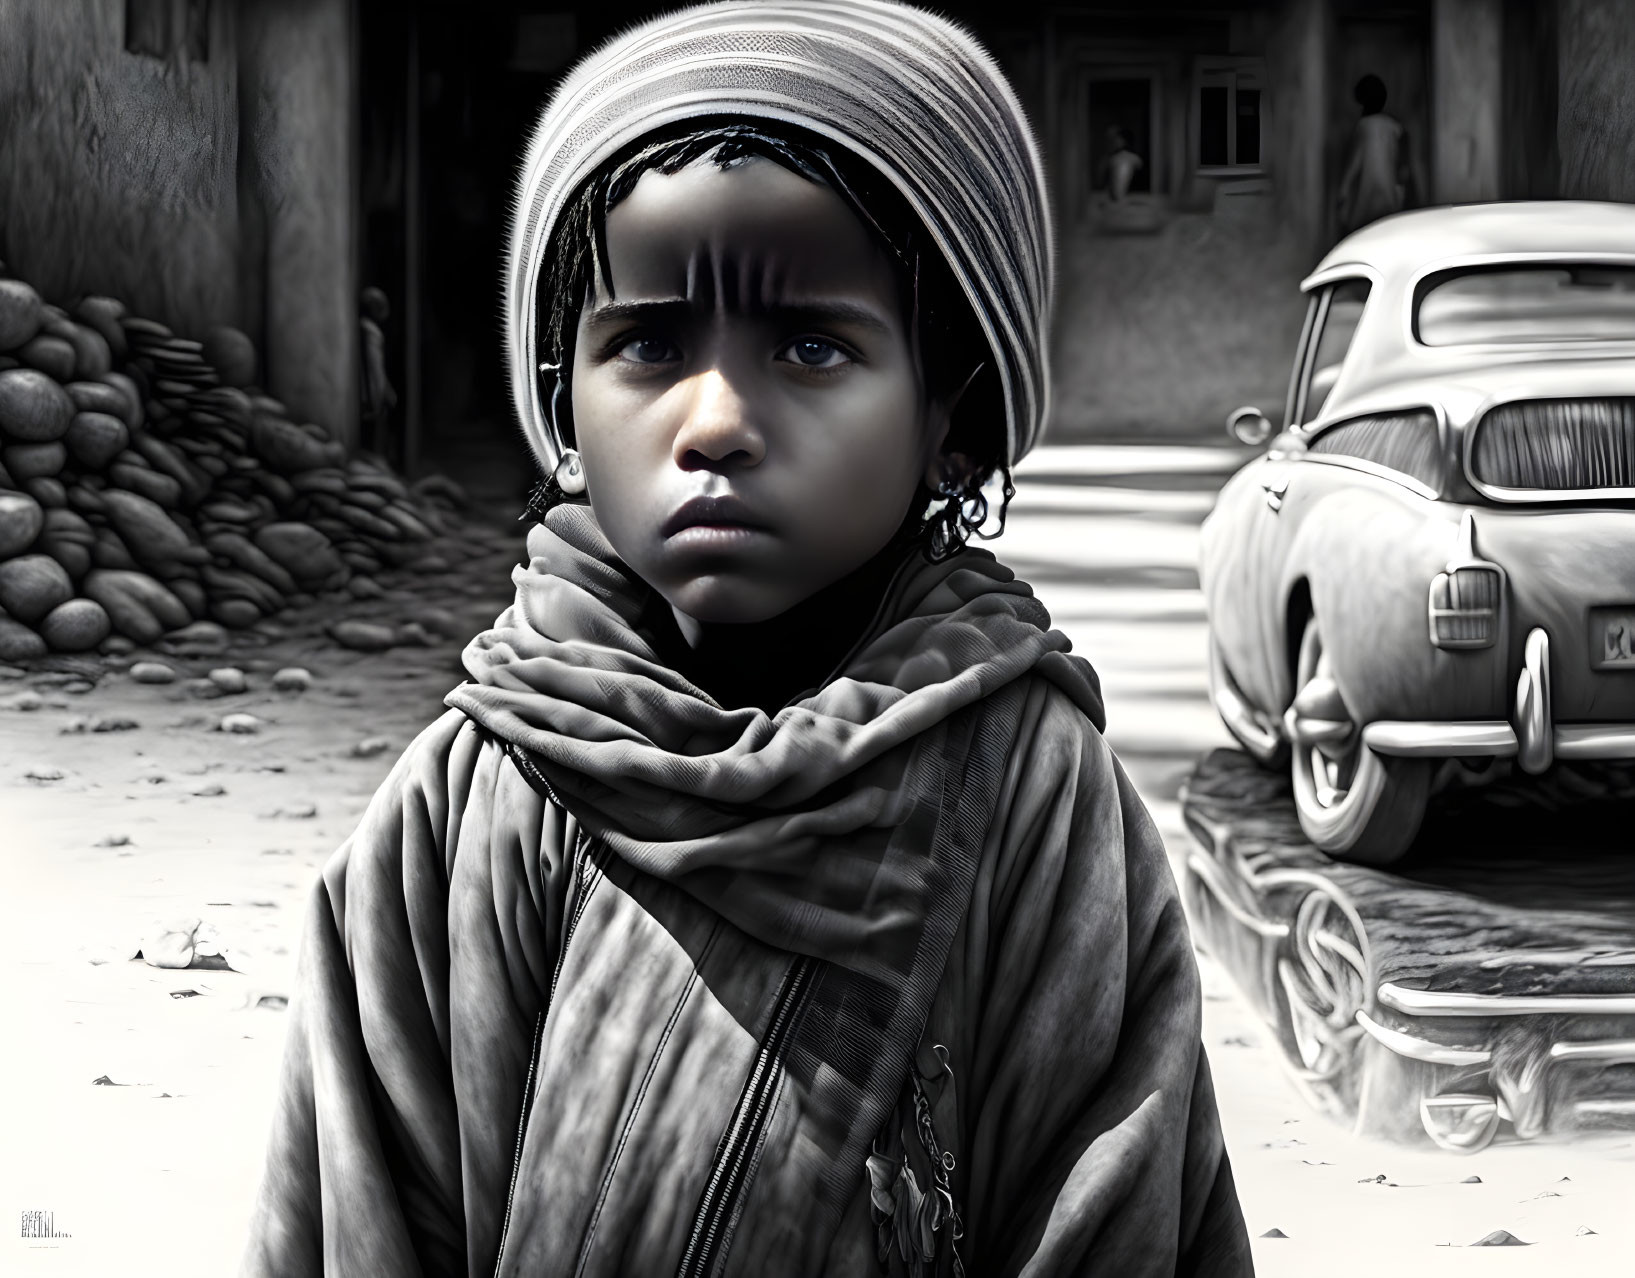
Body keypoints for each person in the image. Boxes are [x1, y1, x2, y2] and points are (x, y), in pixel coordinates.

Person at [242, 3, 1251, 1275]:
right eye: (647, 344)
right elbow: (355, 1228)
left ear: (951, 418)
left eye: (813, 345)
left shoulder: (1037, 806)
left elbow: (1113, 1216)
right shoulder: (471, 807)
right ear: (562, 403)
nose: (714, 419)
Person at [1335, 73, 1417, 235]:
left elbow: (1356, 162)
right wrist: (1400, 193)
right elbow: (1404, 169)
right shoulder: (1395, 128)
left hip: (1367, 196)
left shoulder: (1363, 126)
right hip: (1390, 198)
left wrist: (1343, 191)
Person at [358, 285, 397, 453]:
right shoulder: (371, 332)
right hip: (373, 391)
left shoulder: (365, 328)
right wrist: (384, 391)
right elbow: (375, 367)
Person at [1102, 125, 1145, 202]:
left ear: (1123, 140)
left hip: (1125, 203)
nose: (1112, 142)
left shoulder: (1125, 158)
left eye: (1114, 139)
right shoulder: (1112, 158)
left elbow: (1119, 191)